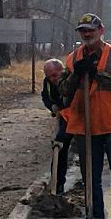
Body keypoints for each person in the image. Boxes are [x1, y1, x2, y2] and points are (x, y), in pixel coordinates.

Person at [57, 14, 111, 219]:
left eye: (91, 30)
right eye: (83, 30)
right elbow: (63, 89)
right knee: (90, 177)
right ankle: (95, 218)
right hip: (86, 126)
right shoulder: (74, 59)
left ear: (101, 30)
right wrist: (78, 74)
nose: (87, 34)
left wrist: (97, 74)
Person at [41, 58, 74, 191]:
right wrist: (52, 106)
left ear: (63, 71)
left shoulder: (71, 80)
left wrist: (61, 136)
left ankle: (88, 183)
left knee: (61, 142)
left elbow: (74, 111)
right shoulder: (48, 83)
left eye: (55, 75)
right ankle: (57, 184)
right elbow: (45, 96)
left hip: (77, 116)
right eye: (49, 77)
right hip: (63, 115)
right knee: (60, 150)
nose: (52, 79)